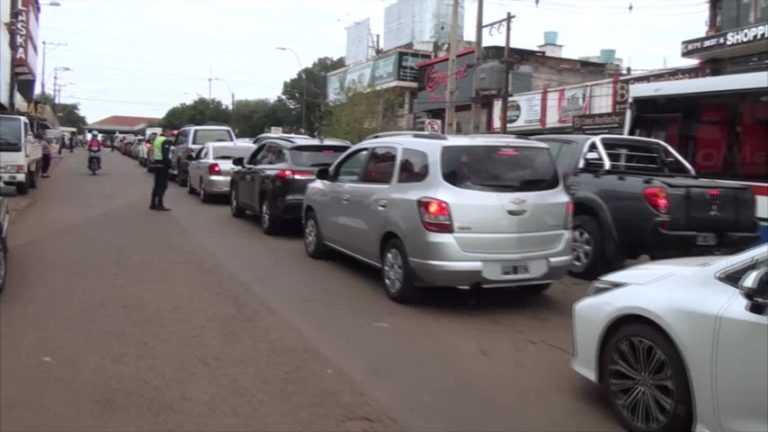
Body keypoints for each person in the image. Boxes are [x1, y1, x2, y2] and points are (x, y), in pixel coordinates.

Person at [149, 129, 172, 211]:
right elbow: (165, 154)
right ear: (166, 132)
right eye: (170, 132)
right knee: (163, 185)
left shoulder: (157, 139)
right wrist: (169, 165)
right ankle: (160, 204)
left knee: (157, 185)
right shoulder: (165, 141)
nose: (171, 134)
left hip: (156, 164)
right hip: (163, 165)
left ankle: (152, 204)